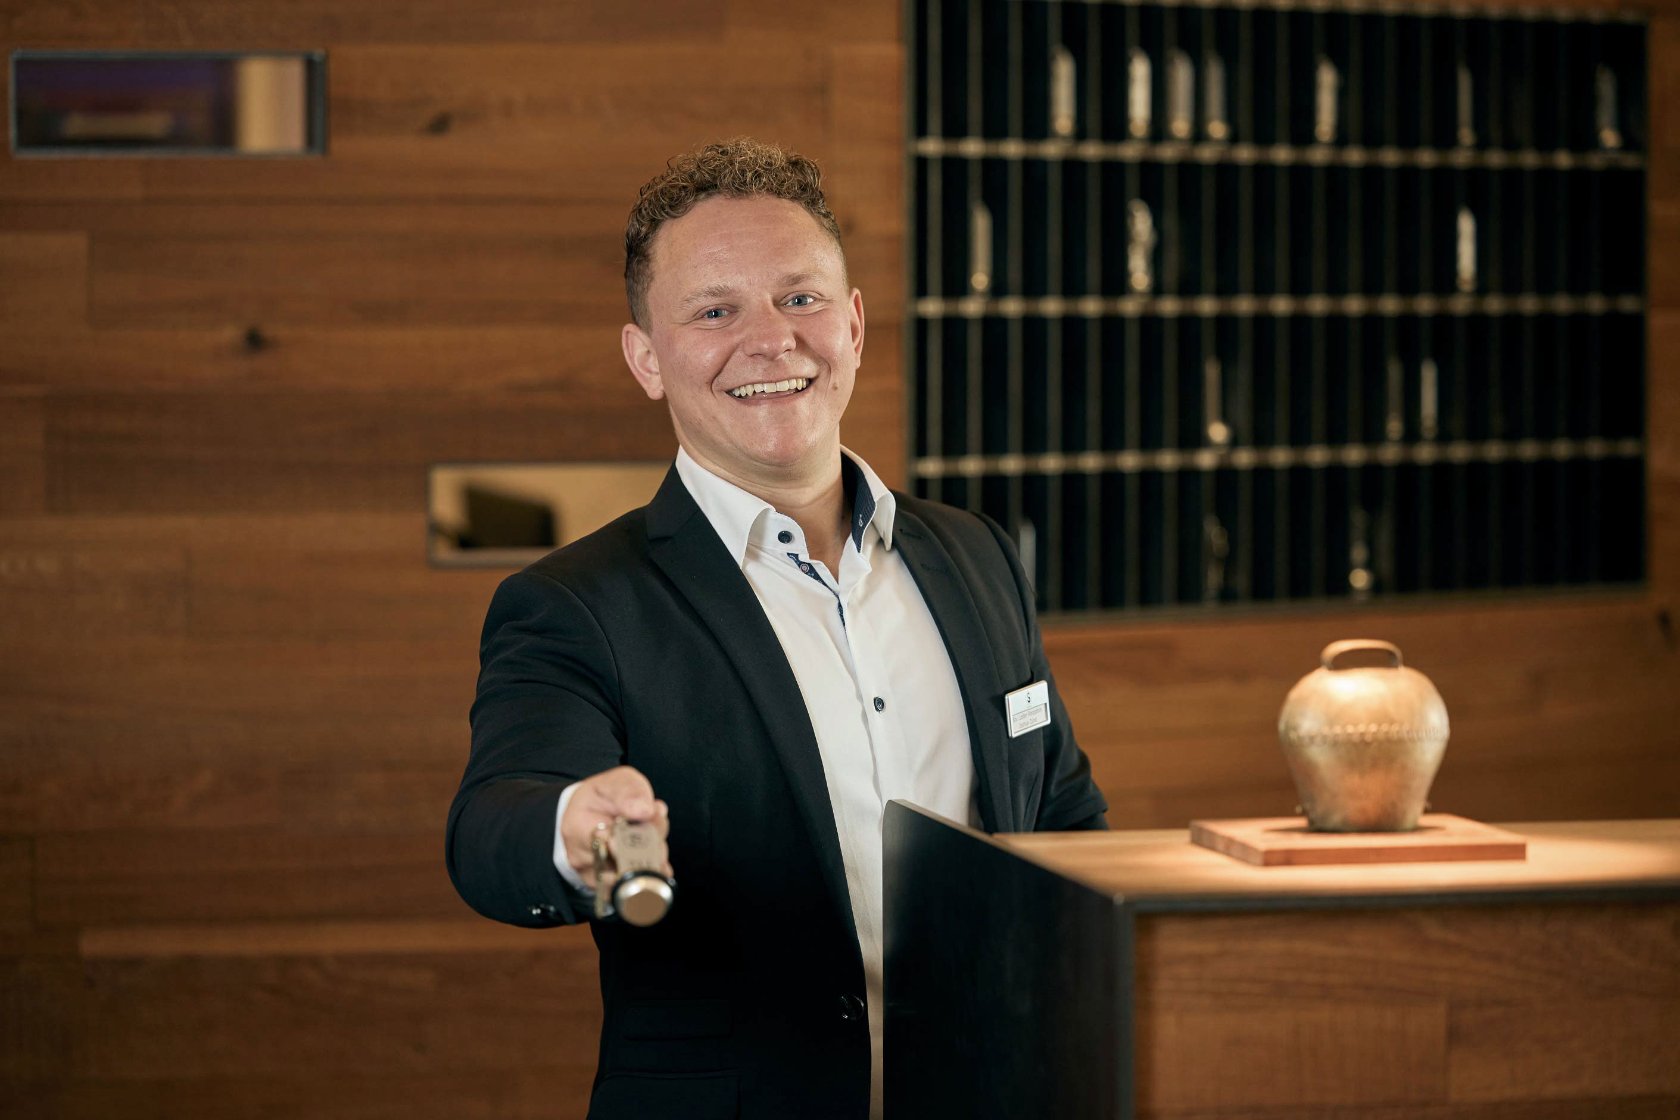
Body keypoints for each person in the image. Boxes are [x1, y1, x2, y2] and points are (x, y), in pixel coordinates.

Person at [446, 138, 1107, 1120]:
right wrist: (574, 823)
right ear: (647, 358)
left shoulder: (977, 557)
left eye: (800, 298)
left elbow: (1060, 815)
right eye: (715, 311)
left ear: (854, 325)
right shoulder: (575, 604)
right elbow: (495, 822)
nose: (771, 340)